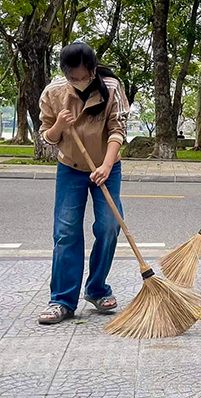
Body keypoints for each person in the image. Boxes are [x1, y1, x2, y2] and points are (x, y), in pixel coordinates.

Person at [37, 42, 130, 324]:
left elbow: (117, 129)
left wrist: (106, 165)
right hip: (70, 168)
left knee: (110, 225)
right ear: (64, 73)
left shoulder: (112, 87)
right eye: (72, 78)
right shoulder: (53, 93)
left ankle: (97, 288)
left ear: (92, 69)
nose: (79, 82)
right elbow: (47, 136)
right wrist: (59, 127)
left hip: (106, 166)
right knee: (65, 232)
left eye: (84, 76)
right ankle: (62, 300)